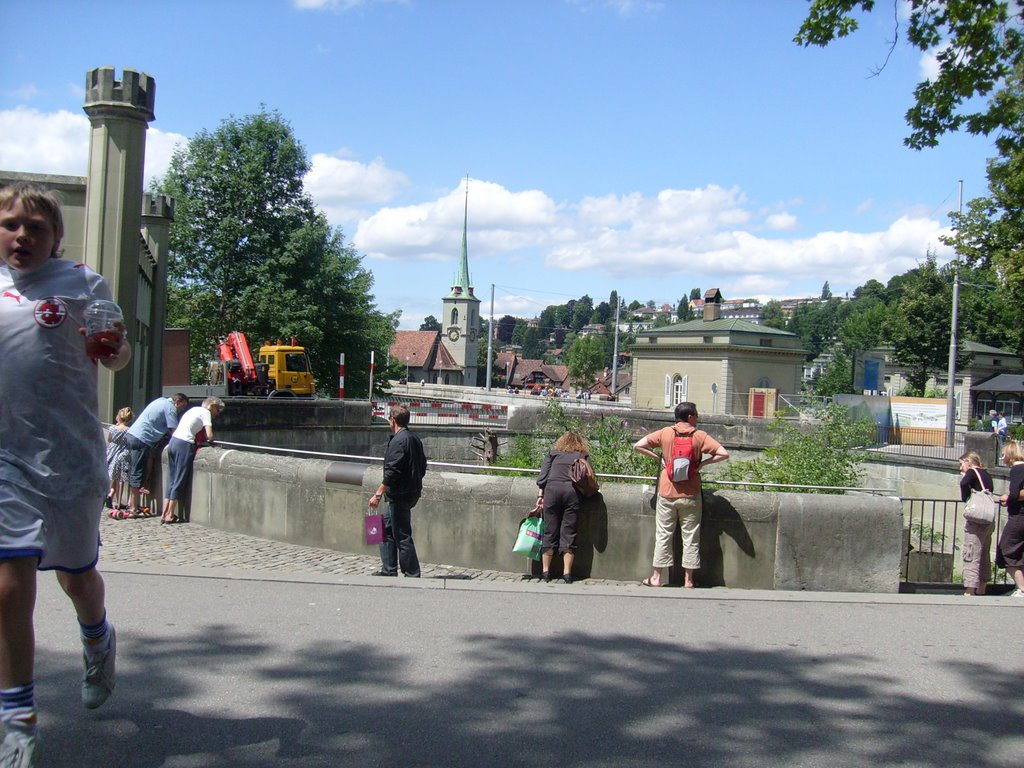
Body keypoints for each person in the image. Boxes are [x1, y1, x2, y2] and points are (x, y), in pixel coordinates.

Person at [0, 182, 131, 766]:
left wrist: (114, 350)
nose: (20, 235)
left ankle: (97, 636)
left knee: (77, 579)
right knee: (7, 590)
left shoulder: (82, 282)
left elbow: (121, 353)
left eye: (34, 227)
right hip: (7, 460)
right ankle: (17, 724)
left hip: (71, 460)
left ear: (55, 237)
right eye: (9, 223)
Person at [633, 401, 729, 589]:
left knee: (663, 535)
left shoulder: (665, 433)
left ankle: (656, 578)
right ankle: (688, 580)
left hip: (667, 492)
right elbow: (723, 454)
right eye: (697, 415)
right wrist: (702, 464)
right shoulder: (699, 436)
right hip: (691, 493)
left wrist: (661, 459)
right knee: (691, 536)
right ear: (690, 417)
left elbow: (639, 445)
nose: (698, 418)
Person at [368, 404, 427, 577]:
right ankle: (389, 569)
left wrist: (378, 494)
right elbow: (422, 465)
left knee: (402, 534)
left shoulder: (398, 441)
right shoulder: (414, 438)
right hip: (410, 492)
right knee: (385, 528)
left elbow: (392, 471)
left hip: (399, 494)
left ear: (393, 420)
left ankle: (412, 573)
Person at [535, 432, 592, 584]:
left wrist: (540, 497)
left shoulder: (553, 454)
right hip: (572, 492)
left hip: (552, 490)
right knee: (569, 531)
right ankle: (567, 573)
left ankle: (546, 572)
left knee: (549, 530)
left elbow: (542, 478)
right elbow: (589, 476)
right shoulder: (582, 454)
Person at [160, 397, 224, 525]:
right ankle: (170, 514)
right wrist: (211, 439)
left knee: (172, 478)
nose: (218, 414)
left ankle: (163, 513)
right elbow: (209, 435)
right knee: (179, 478)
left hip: (173, 442)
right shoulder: (206, 413)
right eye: (218, 410)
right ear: (212, 406)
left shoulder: (193, 409)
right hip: (184, 444)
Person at [125, 393, 189, 517]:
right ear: (178, 402)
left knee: (136, 470)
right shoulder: (170, 407)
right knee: (138, 472)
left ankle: (132, 504)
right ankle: (132, 508)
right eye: (182, 406)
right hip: (142, 438)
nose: (182, 410)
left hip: (133, 435)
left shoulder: (160, 400)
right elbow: (174, 431)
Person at [958, 452, 995, 596]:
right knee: (984, 553)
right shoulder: (986, 474)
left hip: (976, 519)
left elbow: (963, 484)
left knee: (971, 552)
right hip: (988, 518)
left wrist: (966, 497)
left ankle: (970, 589)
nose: (961, 467)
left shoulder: (972, 472)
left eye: (961, 464)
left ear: (968, 461)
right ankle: (982, 588)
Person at [995, 439, 1024, 597]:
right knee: (1018, 550)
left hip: (1019, 516)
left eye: (1003, 455)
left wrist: (1007, 497)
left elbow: (1014, 493)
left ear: (1010, 455)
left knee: (1006, 549)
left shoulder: (1016, 469)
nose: (1002, 458)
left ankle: (1022, 588)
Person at [105, 407, 134, 518]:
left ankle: (111, 494)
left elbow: (109, 440)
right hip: (123, 453)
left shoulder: (112, 428)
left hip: (112, 452)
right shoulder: (128, 430)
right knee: (121, 479)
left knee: (114, 476)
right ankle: (118, 502)